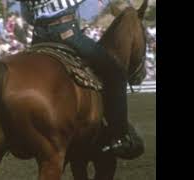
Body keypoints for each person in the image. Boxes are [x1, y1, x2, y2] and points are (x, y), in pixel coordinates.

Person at [19, 0, 144, 159]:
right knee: (115, 73)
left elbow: (27, 16)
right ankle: (120, 136)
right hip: (66, 33)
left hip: (39, 38)